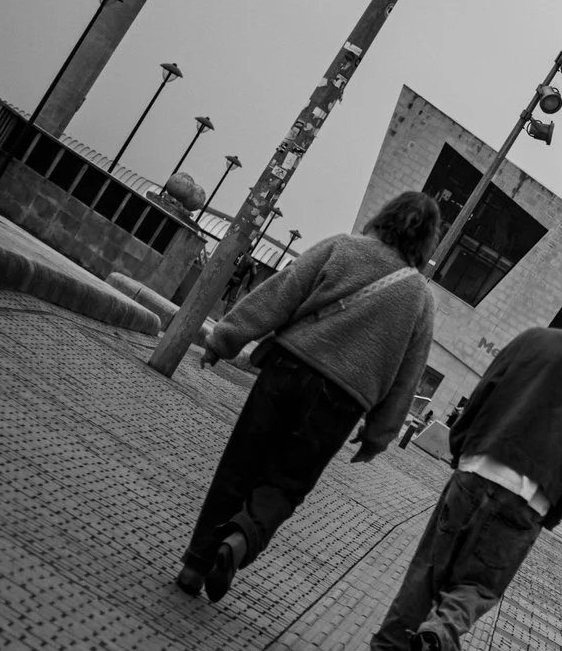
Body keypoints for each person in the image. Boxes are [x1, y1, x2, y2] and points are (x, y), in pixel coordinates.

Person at [354, 288, 562, 651]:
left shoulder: (532, 340)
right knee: (479, 587)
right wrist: (552, 512)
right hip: (528, 499)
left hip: (478, 469)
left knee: (427, 571)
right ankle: (440, 633)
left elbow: (484, 392)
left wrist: (461, 447)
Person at [177, 191, 441, 601]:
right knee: (286, 484)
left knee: (239, 466)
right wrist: (378, 435)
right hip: (340, 403)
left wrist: (225, 339)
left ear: (384, 216)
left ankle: (195, 568)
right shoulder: (421, 298)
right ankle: (239, 541)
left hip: (286, 371)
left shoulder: (341, 247)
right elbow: (408, 376)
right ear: (427, 243)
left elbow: (280, 293)